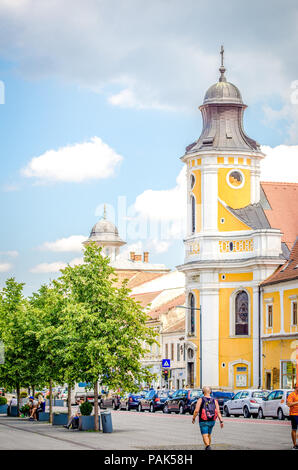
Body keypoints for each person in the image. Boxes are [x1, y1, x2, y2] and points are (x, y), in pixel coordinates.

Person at [192, 386, 224, 450]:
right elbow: (218, 412)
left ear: (203, 392)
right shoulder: (214, 400)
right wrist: (221, 421)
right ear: (210, 392)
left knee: (205, 434)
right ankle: (208, 446)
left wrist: (193, 418)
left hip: (203, 420)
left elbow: (196, 411)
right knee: (209, 434)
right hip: (212, 420)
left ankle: (208, 447)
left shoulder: (201, 399)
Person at [286, 383, 298, 450]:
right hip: (294, 414)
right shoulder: (291, 395)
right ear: (296, 387)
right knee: (294, 429)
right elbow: (288, 404)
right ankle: (295, 445)